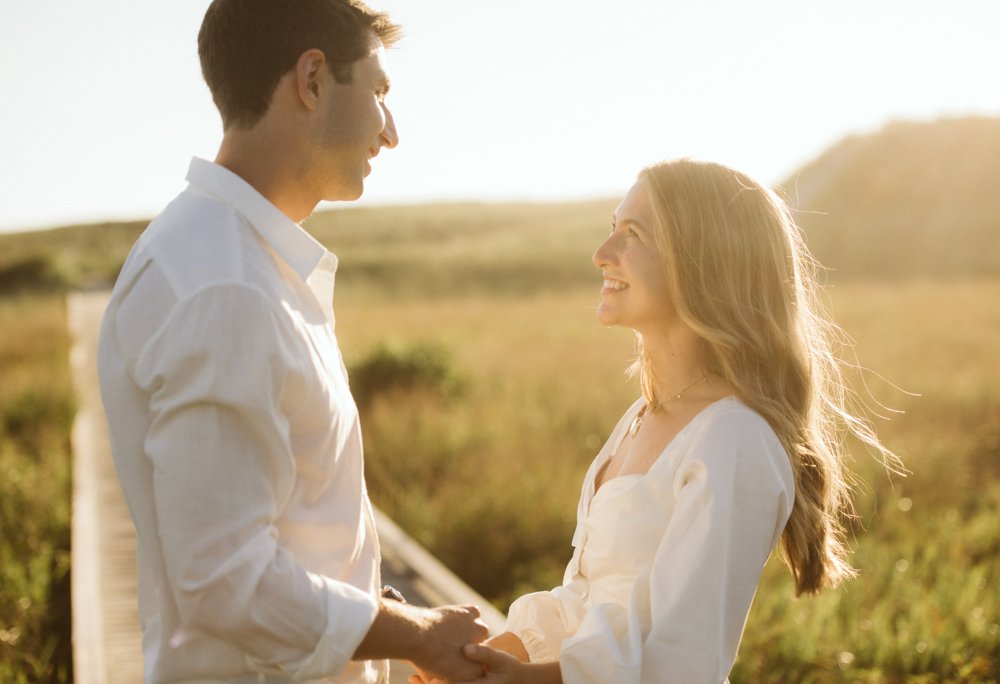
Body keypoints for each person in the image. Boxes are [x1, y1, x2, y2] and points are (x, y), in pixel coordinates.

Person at [97, 1, 488, 682]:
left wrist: (368, 614)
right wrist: (417, 633)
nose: (390, 131)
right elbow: (225, 580)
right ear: (311, 80)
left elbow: (280, 522)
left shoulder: (230, 259)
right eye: (378, 91)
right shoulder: (225, 285)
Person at [413, 158, 894, 683]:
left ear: (704, 261)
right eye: (611, 229)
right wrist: (482, 660)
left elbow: (681, 662)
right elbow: (591, 602)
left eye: (633, 234)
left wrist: (523, 681)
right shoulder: (644, 416)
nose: (602, 255)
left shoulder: (735, 439)